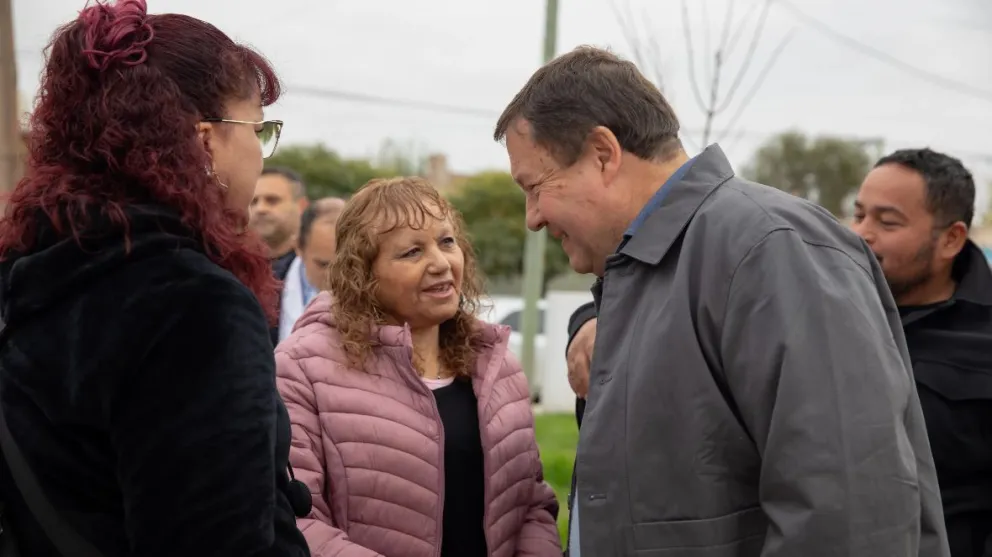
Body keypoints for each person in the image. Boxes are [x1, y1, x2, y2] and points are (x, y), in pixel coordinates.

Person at [495, 46, 948, 557]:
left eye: (534, 186)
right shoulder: (653, 270)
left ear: (603, 153)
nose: (532, 218)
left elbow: (850, 515)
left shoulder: (773, 251)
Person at [0, 1, 309, 556]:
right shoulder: (194, 305)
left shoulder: (24, 272)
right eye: (259, 131)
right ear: (206, 141)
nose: (260, 155)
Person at [275, 177, 561, 557]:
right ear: (363, 274)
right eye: (412, 252)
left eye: (447, 242)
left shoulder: (496, 366)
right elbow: (296, 519)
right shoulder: (302, 368)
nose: (440, 263)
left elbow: (530, 505)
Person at [851, 148, 992, 557]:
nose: (861, 234)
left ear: (951, 239)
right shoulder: (828, 313)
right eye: (859, 215)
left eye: (887, 222)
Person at [252, 167, 310, 346]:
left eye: (272, 200)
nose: (260, 209)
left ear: (301, 206)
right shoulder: (231, 266)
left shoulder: (317, 266)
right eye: (253, 201)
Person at [277, 197, 346, 342]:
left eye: (347, 265)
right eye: (323, 265)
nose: (335, 276)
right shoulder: (264, 288)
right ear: (298, 247)